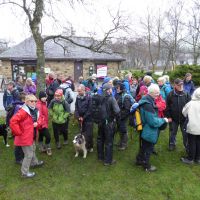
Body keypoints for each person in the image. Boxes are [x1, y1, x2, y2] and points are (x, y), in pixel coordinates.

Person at [135, 84, 168, 172]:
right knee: (148, 147)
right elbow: (152, 122)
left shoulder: (146, 100)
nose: (158, 95)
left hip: (143, 127)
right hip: (148, 129)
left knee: (144, 146)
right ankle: (146, 166)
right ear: (152, 93)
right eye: (157, 93)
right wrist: (163, 120)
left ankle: (139, 160)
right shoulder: (148, 105)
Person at [10, 94, 44, 178]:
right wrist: (19, 132)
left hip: (32, 135)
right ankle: (24, 173)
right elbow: (13, 121)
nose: (34, 103)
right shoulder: (23, 111)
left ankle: (34, 163)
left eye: (35, 101)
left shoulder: (35, 110)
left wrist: (37, 123)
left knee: (32, 149)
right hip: (25, 137)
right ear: (26, 101)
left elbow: (40, 118)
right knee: (28, 155)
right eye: (31, 101)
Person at [97, 83, 120, 166]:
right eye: (110, 89)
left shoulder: (99, 97)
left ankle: (100, 156)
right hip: (109, 123)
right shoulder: (112, 99)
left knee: (100, 139)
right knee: (109, 142)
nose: (111, 90)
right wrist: (118, 122)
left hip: (100, 122)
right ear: (108, 90)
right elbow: (117, 112)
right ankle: (108, 161)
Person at [165, 78, 191, 151]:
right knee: (172, 132)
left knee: (185, 133)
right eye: (179, 85)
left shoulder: (186, 94)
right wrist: (169, 117)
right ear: (175, 85)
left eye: (182, 84)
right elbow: (167, 107)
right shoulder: (170, 94)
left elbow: (190, 106)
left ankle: (187, 147)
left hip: (184, 118)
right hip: (173, 118)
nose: (181, 86)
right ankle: (172, 144)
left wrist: (189, 117)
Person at [181, 87, 200, 164]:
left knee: (192, 142)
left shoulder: (190, 104)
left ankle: (190, 158)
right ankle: (198, 158)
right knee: (199, 141)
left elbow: (184, 112)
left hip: (192, 126)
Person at [75, 84, 93, 152]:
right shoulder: (77, 97)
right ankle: (84, 145)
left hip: (88, 119)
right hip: (80, 119)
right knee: (82, 133)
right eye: (78, 91)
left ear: (83, 90)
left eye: (79, 91)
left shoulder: (89, 97)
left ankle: (90, 146)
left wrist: (84, 117)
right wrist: (78, 116)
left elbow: (90, 109)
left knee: (89, 134)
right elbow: (76, 107)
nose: (78, 93)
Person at [115, 82, 133, 150]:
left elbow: (127, 109)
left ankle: (124, 144)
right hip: (118, 116)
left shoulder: (126, 97)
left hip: (123, 117)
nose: (116, 89)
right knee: (120, 129)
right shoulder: (118, 94)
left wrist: (121, 117)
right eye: (116, 87)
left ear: (121, 88)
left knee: (123, 130)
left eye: (118, 88)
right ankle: (121, 141)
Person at [36, 91, 52, 156]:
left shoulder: (44, 103)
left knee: (41, 135)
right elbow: (39, 115)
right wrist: (43, 123)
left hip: (44, 122)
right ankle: (48, 148)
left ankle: (41, 147)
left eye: (45, 96)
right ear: (40, 98)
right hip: (41, 124)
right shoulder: (39, 105)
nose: (44, 98)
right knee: (48, 137)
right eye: (43, 97)